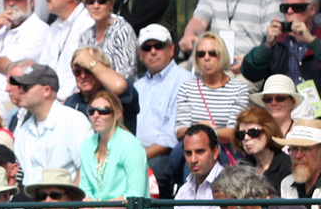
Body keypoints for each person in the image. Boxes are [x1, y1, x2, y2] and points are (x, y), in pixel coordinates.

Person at [241, 0, 321, 119]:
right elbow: (249, 72)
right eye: (285, 8)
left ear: (312, 9)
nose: (290, 12)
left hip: (320, 117)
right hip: (280, 115)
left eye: (297, 7)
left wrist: (313, 42)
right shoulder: (276, 40)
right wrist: (267, 45)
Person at [77, 90, 148, 209]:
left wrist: (97, 204)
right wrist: (88, 203)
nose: (96, 115)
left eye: (103, 111)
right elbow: (85, 189)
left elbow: (135, 197)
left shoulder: (130, 145)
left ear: (117, 114)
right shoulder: (87, 146)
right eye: (91, 111)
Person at [132, 25, 193, 195]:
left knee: (146, 175)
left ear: (171, 49)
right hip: (134, 155)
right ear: (140, 54)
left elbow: (170, 138)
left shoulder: (185, 80)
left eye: (158, 46)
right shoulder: (136, 87)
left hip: (164, 155)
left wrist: (137, 157)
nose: (153, 51)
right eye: (147, 47)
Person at [11, 63, 92, 187]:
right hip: (32, 202)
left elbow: (87, 167)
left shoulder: (74, 121)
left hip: (68, 201)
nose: (20, 91)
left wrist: (72, 203)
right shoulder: (23, 131)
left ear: (47, 90)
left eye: (26, 87)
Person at [174, 32, 249, 151]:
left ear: (222, 55)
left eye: (212, 53)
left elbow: (233, 133)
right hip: (192, 149)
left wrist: (203, 130)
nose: (206, 58)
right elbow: (180, 132)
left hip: (224, 150)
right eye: (201, 54)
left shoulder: (239, 89)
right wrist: (207, 130)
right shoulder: (187, 88)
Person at [39, 0, 93, 99]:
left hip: (75, 100)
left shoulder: (88, 24)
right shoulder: (53, 27)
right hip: (49, 99)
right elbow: (43, 68)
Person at [66, 46, 138, 135]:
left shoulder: (115, 97)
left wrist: (90, 62)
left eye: (88, 70)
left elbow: (119, 86)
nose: (83, 76)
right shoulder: (71, 102)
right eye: (77, 71)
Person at [78, 0, 137, 83]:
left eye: (101, 1)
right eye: (90, 2)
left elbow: (125, 74)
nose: (96, 6)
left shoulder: (122, 30)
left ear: (110, 4)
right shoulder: (85, 36)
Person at [234, 105, 291, 195]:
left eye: (253, 132)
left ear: (269, 131)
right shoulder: (242, 166)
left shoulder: (287, 165)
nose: (246, 138)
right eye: (241, 134)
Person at [254, 74, 305, 140]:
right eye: (268, 99)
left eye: (280, 98)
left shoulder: (302, 134)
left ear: (292, 102)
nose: (273, 103)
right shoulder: (257, 133)